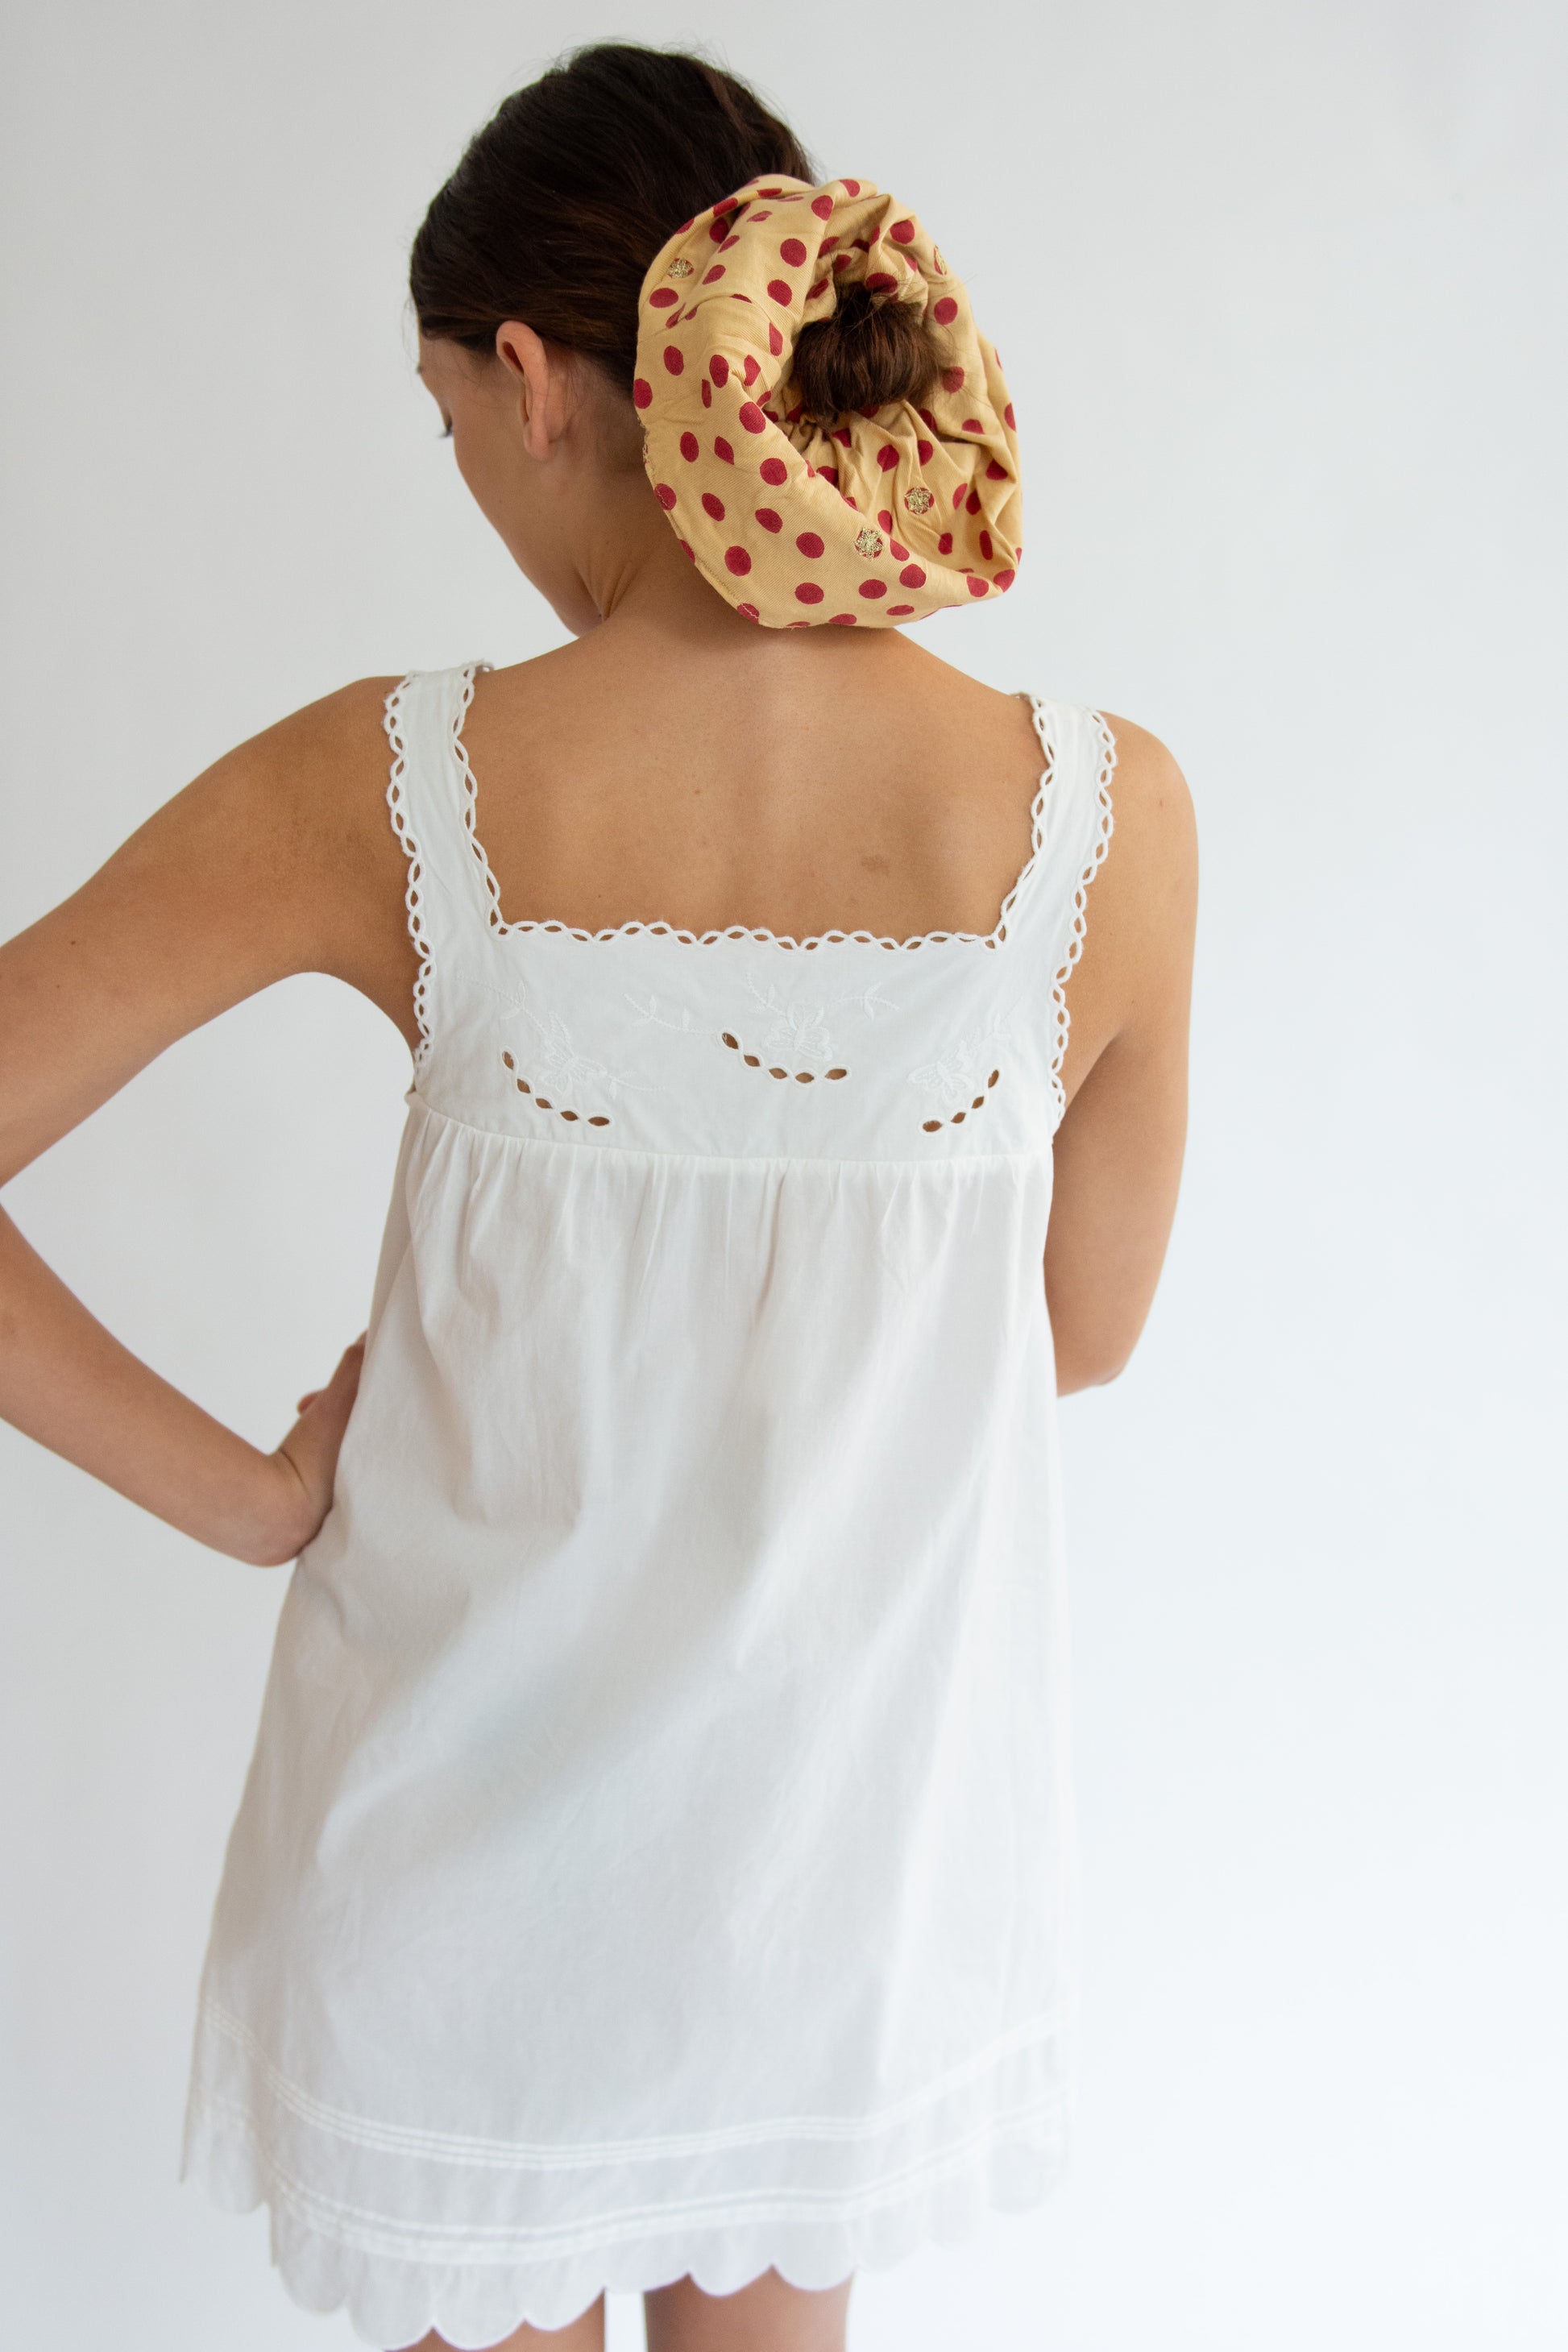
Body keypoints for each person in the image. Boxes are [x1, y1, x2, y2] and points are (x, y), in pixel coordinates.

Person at [0, 39, 1197, 2352]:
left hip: (450, 1900)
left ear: (536, 383)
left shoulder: (396, 782)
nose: (471, 474)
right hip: (836, 1880)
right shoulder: (1103, 820)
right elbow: (1079, 1332)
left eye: (448, 418)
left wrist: (261, 1497)